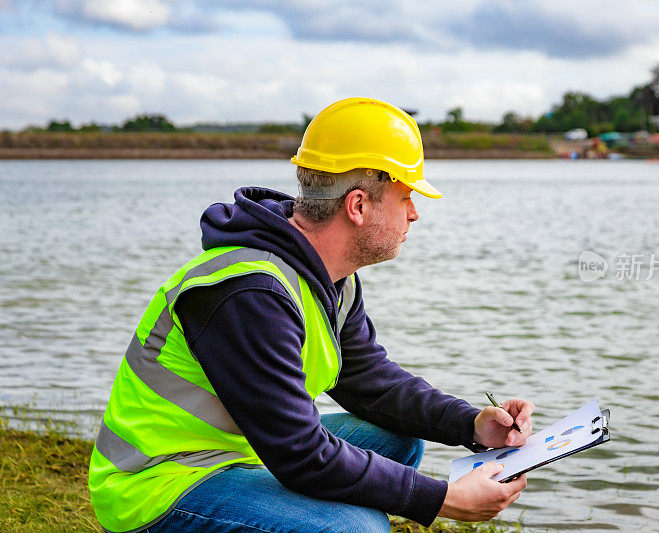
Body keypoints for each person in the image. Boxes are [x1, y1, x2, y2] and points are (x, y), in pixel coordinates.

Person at [88, 97, 535, 533]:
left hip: (244, 451)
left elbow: (370, 383)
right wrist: (442, 498)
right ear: (358, 206)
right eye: (406, 198)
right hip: (161, 484)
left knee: (397, 441)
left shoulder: (329, 276)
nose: (415, 214)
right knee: (358, 529)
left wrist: (471, 424)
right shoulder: (249, 292)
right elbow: (301, 454)